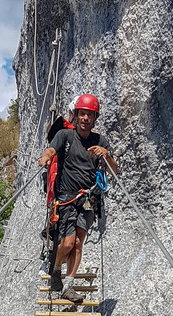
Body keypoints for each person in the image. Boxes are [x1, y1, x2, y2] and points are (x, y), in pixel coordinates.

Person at [38, 93, 118, 303]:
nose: (85, 119)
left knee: (79, 243)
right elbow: (51, 149)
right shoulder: (65, 135)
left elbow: (115, 171)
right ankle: (55, 269)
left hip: (89, 198)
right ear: (76, 116)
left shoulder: (100, 141)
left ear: (94, 118)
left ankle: (69, 286)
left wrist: (106, 155)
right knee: (67, 243)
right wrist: (45, 158)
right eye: (82, 114)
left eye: (89, 115)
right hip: (66, 197)